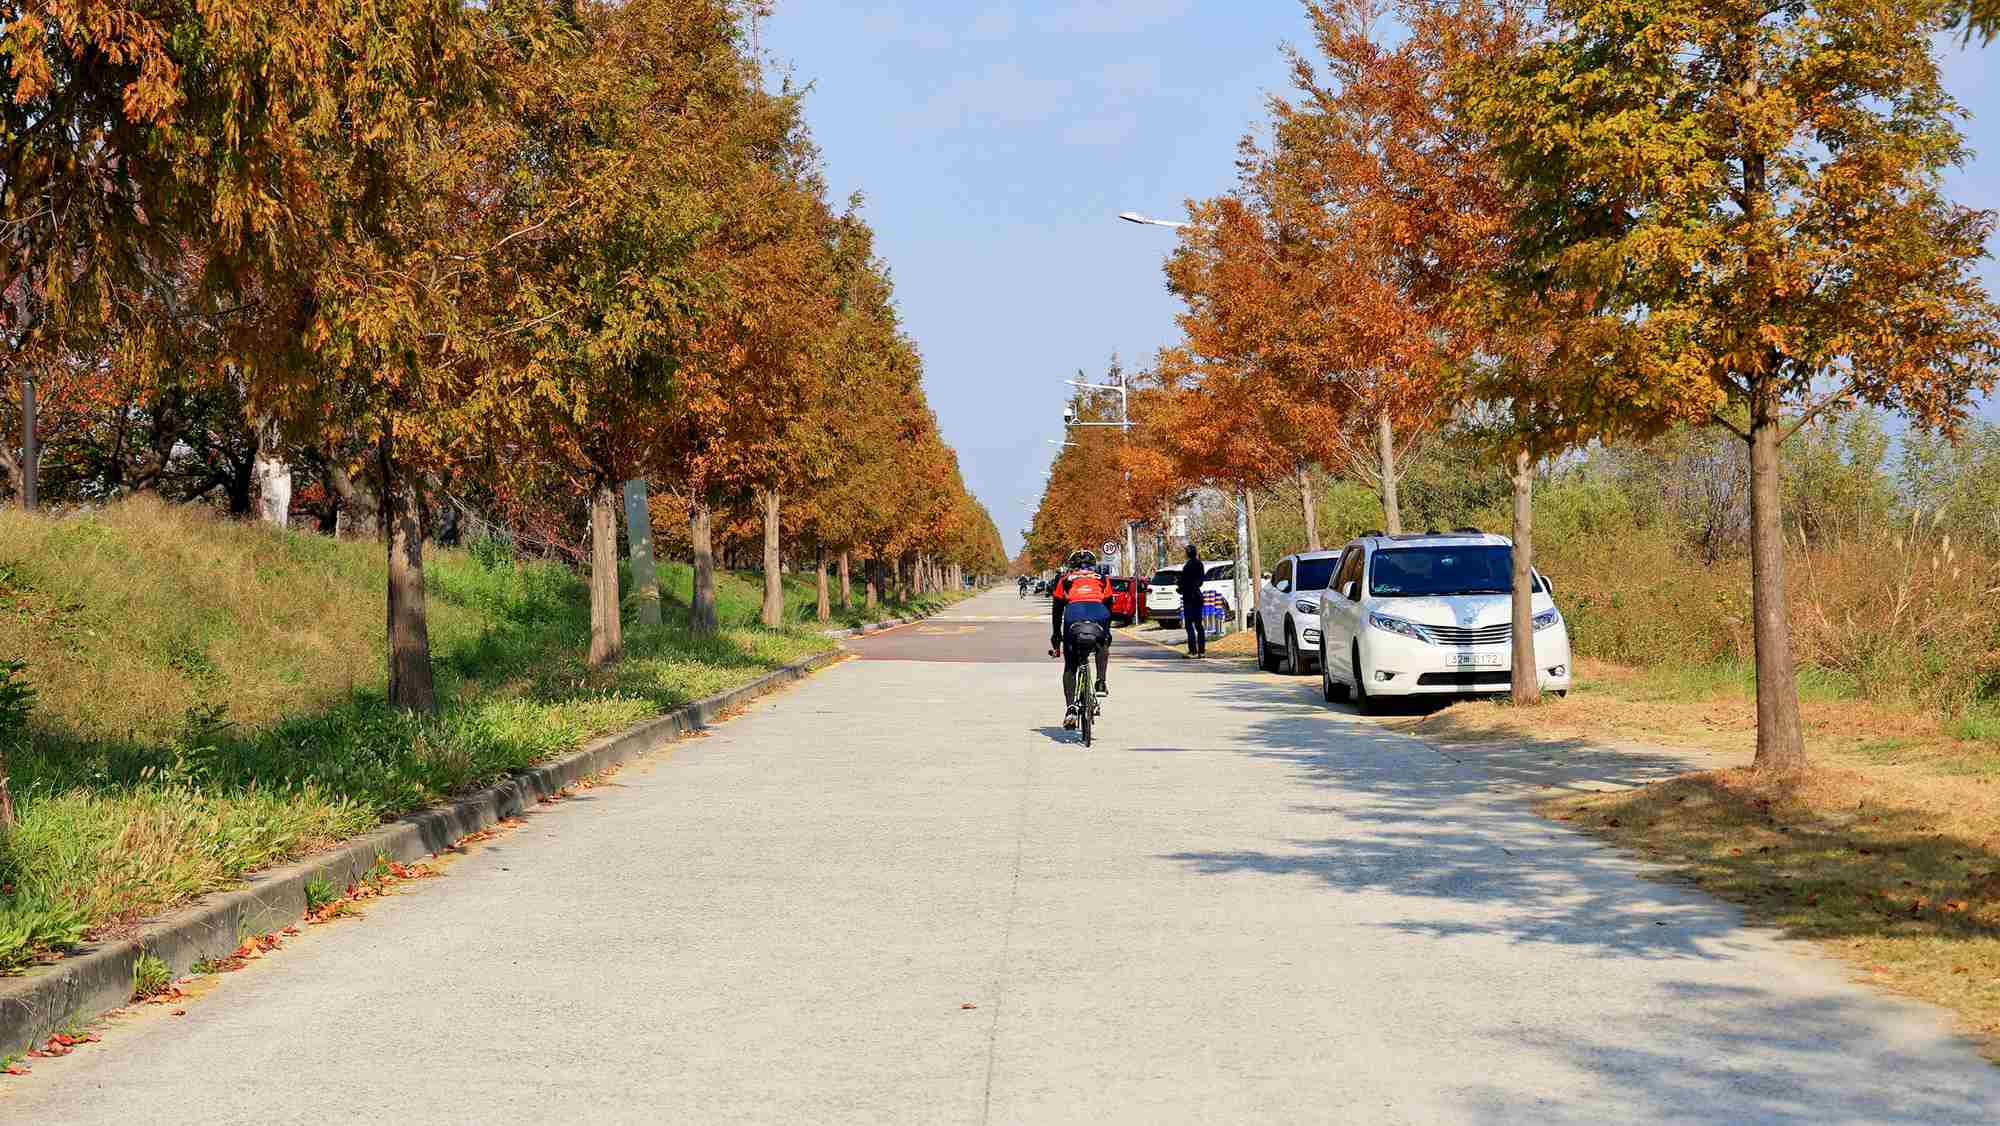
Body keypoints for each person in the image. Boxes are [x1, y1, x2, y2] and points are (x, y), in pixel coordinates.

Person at [1047, 549, 1114, 729]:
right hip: (1099, 615)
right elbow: (1109, 606)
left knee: (1070, 665)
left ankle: (1070, 708)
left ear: (1072, 566)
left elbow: (1057, 611)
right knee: (1102, 642)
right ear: (1092, 565)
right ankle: (1100, 682)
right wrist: (1107, 633)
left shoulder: (1065, 580)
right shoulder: (1102, 579)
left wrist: (1056, 637)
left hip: (1073, 616)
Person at [1176, 543, 1208, 658]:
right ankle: (1202, 651)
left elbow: (1182, 582)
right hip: (1198, 597)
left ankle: (1193, 651)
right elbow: (1200, 581)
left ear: (1188, 553)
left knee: (1189, 624)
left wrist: (1179, 587)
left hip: (1189, 597)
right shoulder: (1200, 564)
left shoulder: (1187, 566)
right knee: (1199, 625)